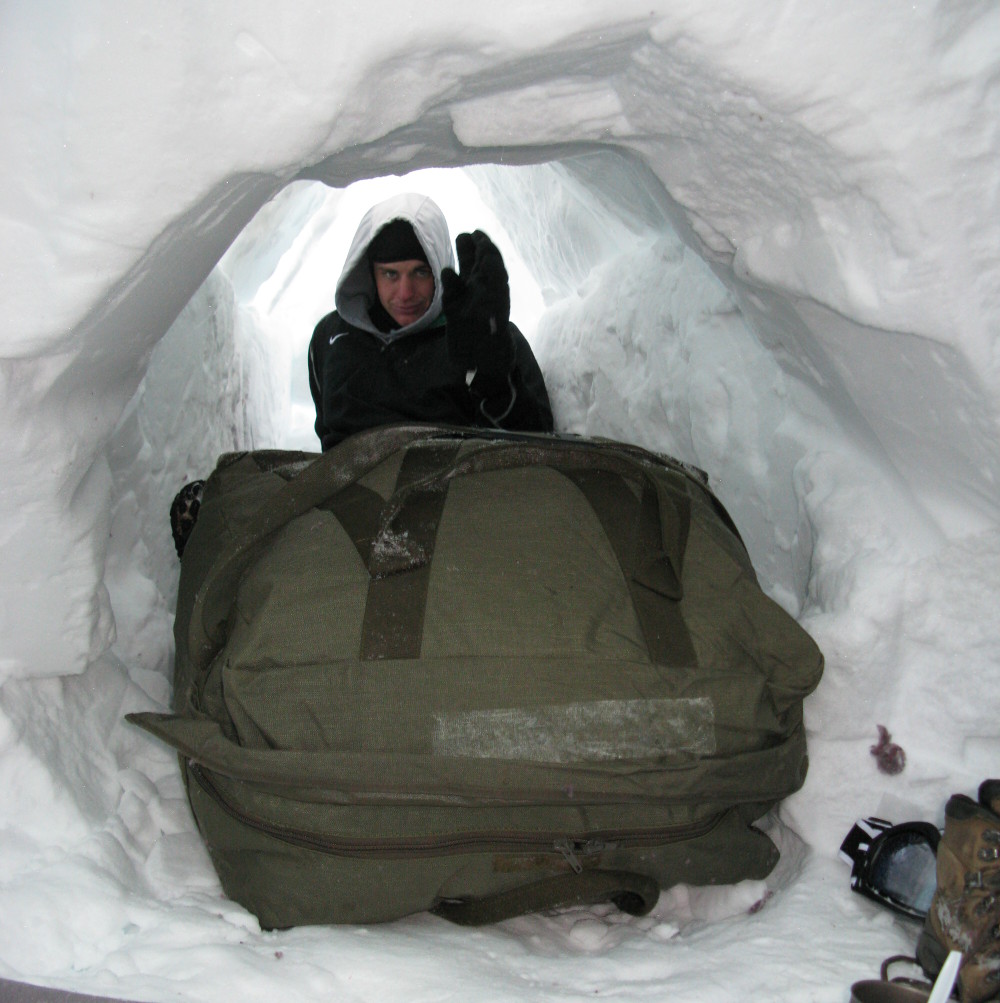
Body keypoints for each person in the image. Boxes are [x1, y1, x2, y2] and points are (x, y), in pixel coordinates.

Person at [307, 192, 553, 451]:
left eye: (420, 272)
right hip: (351, 487)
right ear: (370, 273)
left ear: (438, 268)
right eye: (390, 274)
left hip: (454, 487)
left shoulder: (488, 335)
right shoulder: (330, 338)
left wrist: (494, 375)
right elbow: (327, 434)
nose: (405, 292)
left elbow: (540, 450)